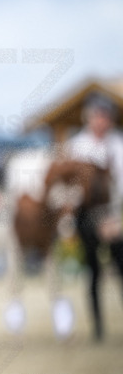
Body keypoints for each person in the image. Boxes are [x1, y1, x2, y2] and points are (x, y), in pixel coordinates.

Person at [66, 93, 123, 340]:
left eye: (105, 116)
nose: (101, 121)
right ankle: (98, 326)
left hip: (113, 215)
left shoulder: (118, 145)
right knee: (93, 272)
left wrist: (113, 218)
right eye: (97, 116)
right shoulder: (77, 146)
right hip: (86, 216)